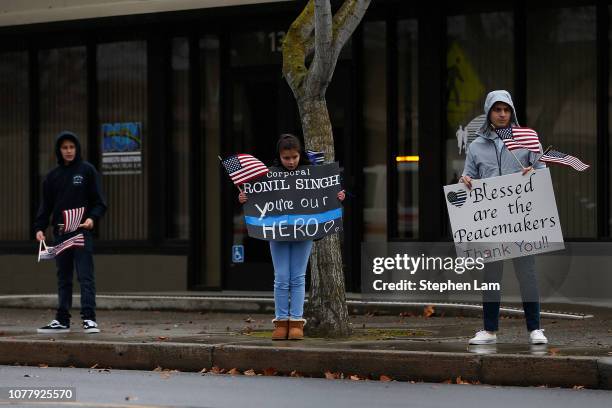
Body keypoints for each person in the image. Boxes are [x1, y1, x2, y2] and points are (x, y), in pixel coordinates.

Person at [460, 90, 548, 345]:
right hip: (491, 222)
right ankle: (489, 330)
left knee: (527, 273)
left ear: (512, 113)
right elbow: (468, 176)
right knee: (491, 276)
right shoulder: (476, 146)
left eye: (506, 110)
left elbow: (541, 172)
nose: (502, 114)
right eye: (497, 110)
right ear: (489, 112)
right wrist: (465, 181)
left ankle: (535, 329)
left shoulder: (528, 140)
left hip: (521, 219)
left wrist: (534, 171)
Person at [238, 134, 345, 340]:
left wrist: (338, 196)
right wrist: (243, 197)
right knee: (281, 278)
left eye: (294, 157)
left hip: (303, 231)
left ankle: (296, 322)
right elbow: (256, 196)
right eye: (286, 158)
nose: (291, 161)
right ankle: (281, 321)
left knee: (297, 277)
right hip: (277, 233)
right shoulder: (269, 176)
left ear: (300, 155)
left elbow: (327, 193)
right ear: (280, 156)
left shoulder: (312, 174)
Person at [34, 131, 107, 334]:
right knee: (63, 278)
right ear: (59, 150)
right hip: (60, 234)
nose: (68, 151)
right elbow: (45, 207)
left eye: (72, 147)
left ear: (77, 149)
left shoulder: (87, 171)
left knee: (85, 277)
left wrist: (92, 218)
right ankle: (62, 320)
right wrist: (39, 228)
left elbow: (99, 202)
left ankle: (89, 319)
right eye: (65, 147)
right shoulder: (52, 177)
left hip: (81, 232)